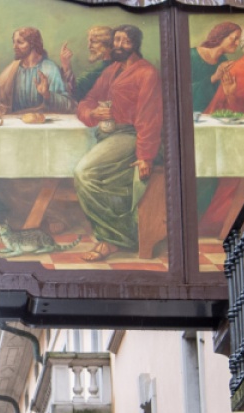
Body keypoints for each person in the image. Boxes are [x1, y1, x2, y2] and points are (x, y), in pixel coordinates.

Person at [74, 24, 163, 262]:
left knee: (84, 173)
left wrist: (145, 156)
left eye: (125, 41)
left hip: (131, 135)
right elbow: (88, 100)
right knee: (99, 178)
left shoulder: (147, 73)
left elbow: (149, 117)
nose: (119, 45)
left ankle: (113, 238)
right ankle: (117, 236)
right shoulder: (112, 70)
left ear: (135, 45)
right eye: (116, 40)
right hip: (109, 134)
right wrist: (92, 113)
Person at [0, 27, 72, 114]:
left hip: (42, 120)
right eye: (14, 42)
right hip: (15, 120)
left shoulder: (49, 68)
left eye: (20, 42)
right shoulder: (13, 70)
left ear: (32, 44)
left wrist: (47, 94)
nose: (14, 47)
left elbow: (67, 104)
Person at [189, 22, 242, 112]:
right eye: (235, 38)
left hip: (211, 113)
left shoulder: (223, 61)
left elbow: (218, 97)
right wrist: (215, 77)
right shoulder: (191, 55)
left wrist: (229, 93)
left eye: (239, 39)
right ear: (221, 36)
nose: (237, 43)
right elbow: (182, 92)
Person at [60, 25, 114, 103]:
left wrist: (66, 66)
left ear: (108, 45)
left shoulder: (97, 71)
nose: (89, 46)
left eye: (94, 42)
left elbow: (75, 93)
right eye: (89, 42)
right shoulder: (113, 65)